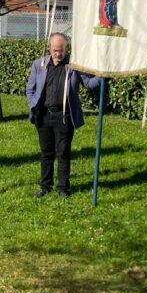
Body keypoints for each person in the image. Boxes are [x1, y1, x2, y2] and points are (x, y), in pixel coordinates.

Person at [25, 32, 100, 198]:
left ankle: (63, 188)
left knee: (63, 153)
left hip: (64, 117)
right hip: (43, 116)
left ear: (66, 49)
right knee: (46, 153)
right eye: (55, 50)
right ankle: (45, 186)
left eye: (61, 50)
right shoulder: (38, 65)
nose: (58, 53)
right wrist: (33, 105)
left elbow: (88, 83)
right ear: (49, 48)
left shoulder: (73, 66)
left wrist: (103, 76)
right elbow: (30, 89)